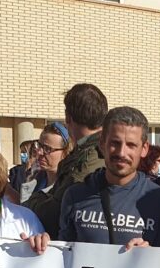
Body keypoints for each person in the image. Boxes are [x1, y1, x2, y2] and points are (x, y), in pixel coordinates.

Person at [57, 106, 160, 248]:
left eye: (131, 145)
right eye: (115, 143)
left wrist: (149, 255)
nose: (121, 153)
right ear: (102, 143)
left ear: (144, 149)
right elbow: (62, 257)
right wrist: (39, 247)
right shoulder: (74, 196)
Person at [33, 83, 108, 235]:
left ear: (68, 117)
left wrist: (26, 206)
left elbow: (57, 210)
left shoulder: (93, 155)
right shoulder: (86, 150)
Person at [22, 122, 72, 209]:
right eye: (39, 145)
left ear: (65, 152)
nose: (39, 152)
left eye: (47, 149)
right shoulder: (33, 179)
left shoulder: (68, 188)